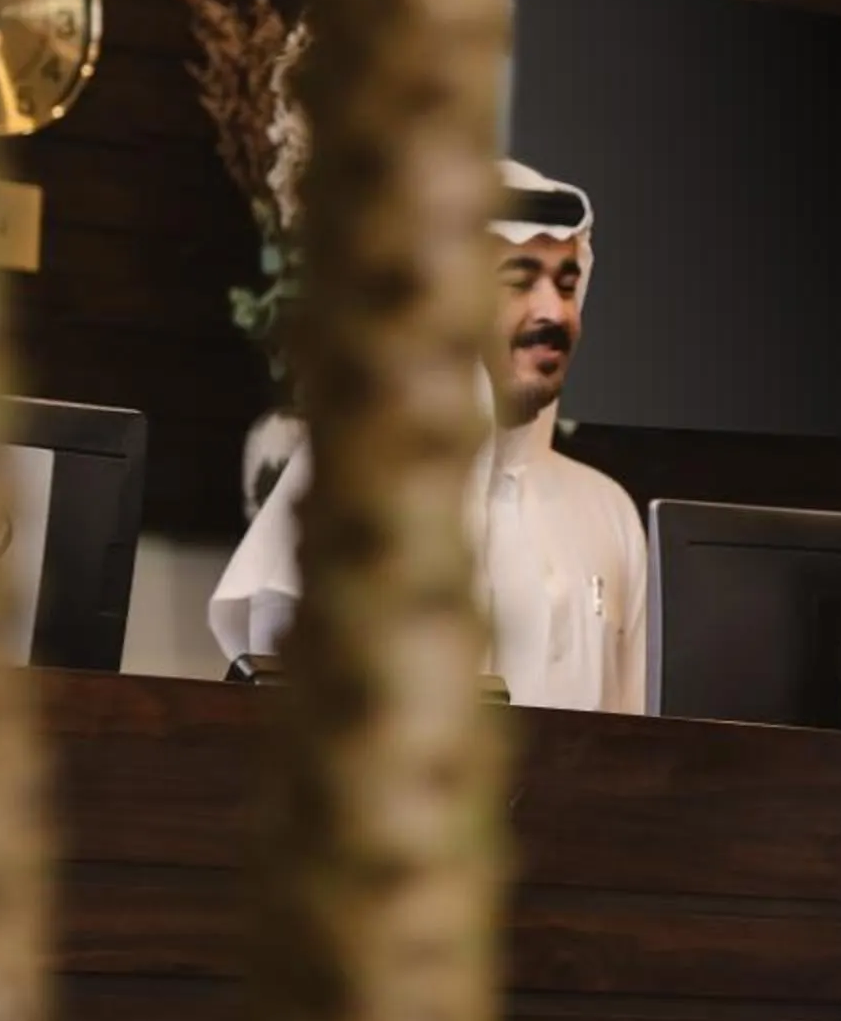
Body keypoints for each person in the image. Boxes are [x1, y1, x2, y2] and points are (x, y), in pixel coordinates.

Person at [208, 159, 651, 714]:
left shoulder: (607, 509)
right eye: (519, 281)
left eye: (567, 285)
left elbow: (639, 741)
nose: (553, 311)